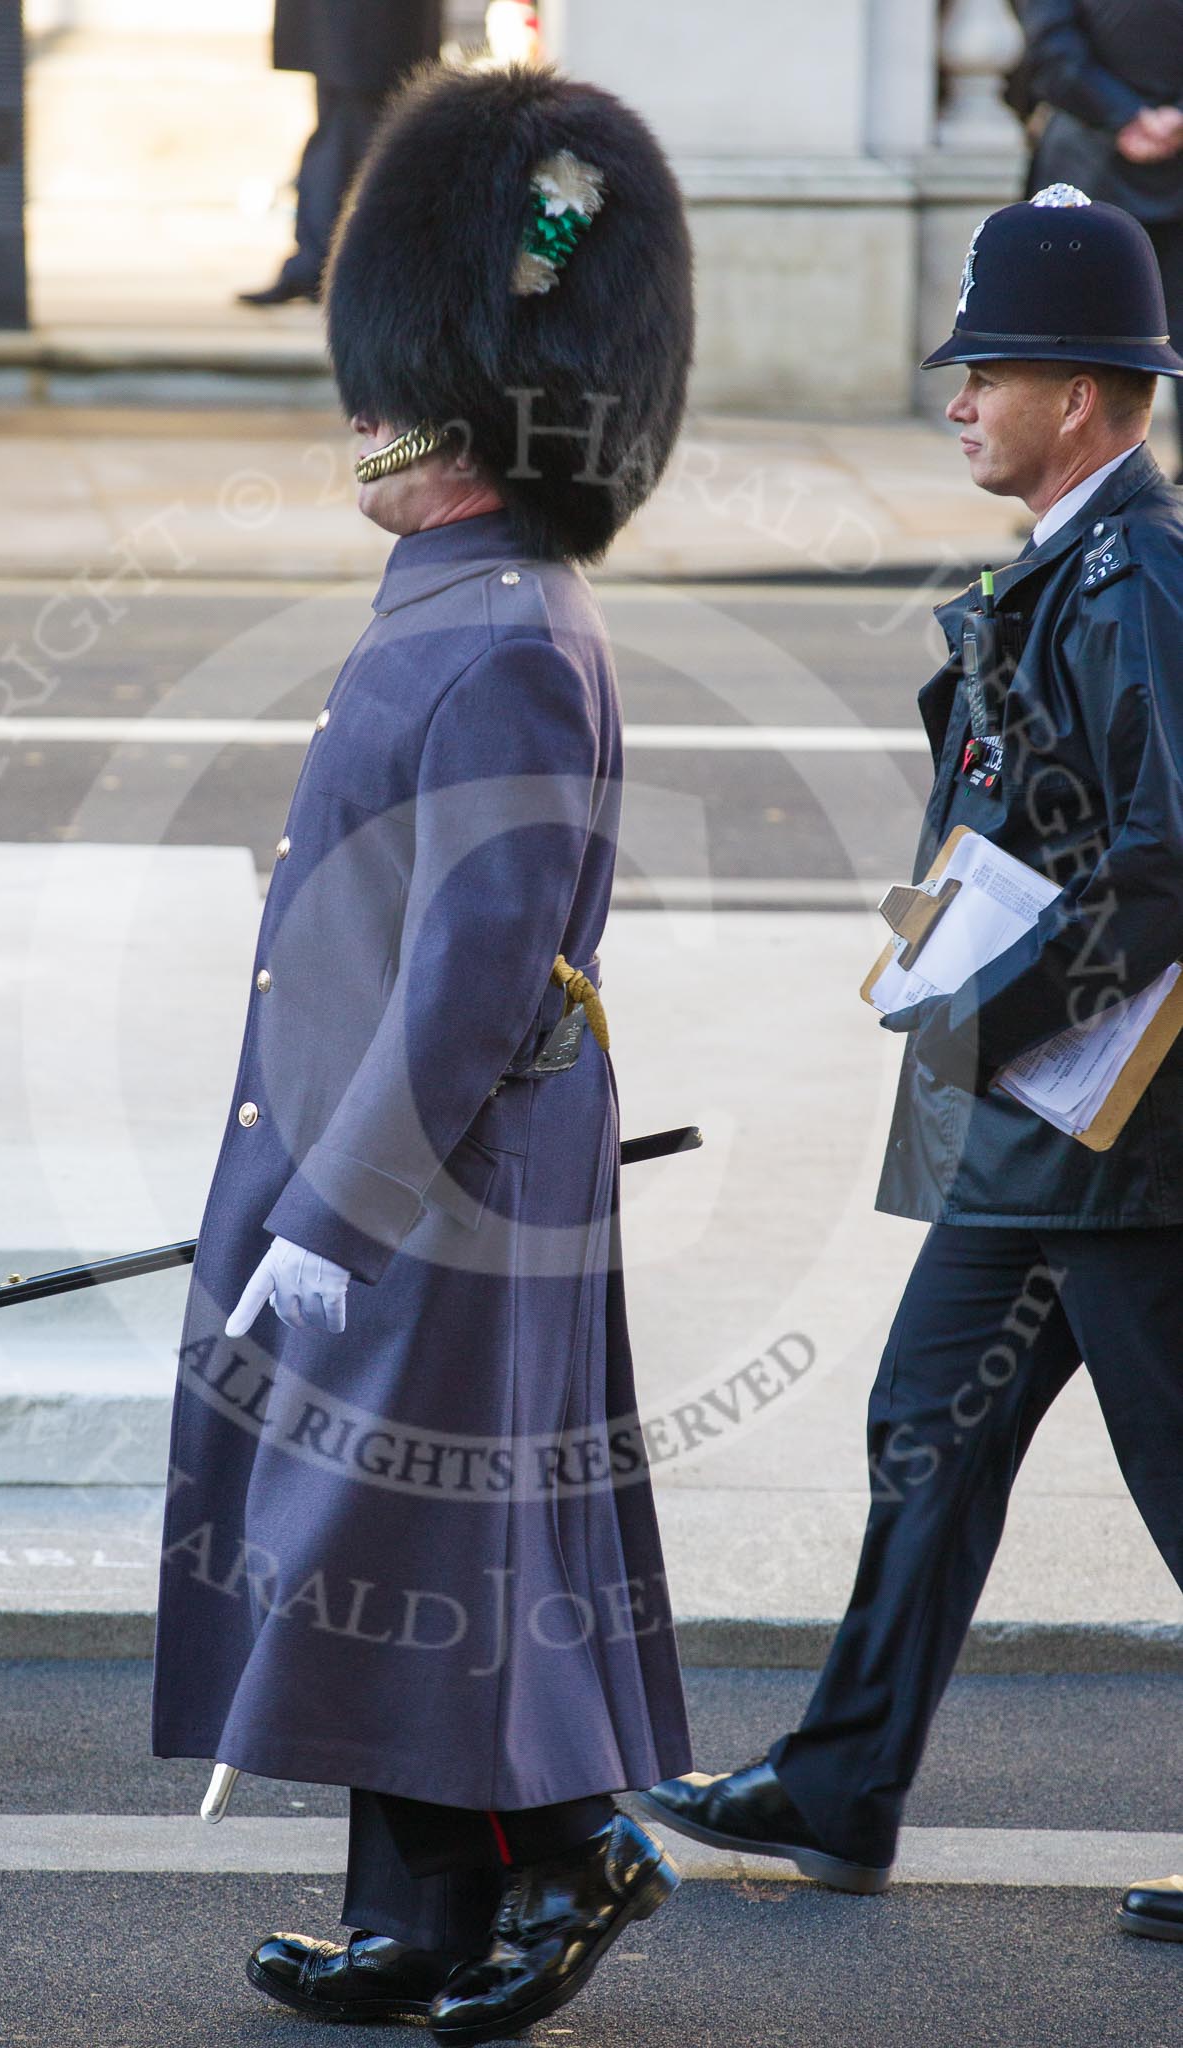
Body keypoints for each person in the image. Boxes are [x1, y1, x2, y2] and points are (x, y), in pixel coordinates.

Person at [154, 58, 696, 2041]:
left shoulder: (509, 634)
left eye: (392, 384)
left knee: (431, 1541)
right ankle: (411, 1913)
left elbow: (472, 979)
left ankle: (567, 1847)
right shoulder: (449, 595)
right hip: (399, 1158)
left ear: (477, 403)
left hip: (451, 1176)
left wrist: (343, 1216)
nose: (357, 417)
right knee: (378, 1530)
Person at [635, 187, 1183, 1933]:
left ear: (1083, 396)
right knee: (924, 1419)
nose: (955, 398)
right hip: (1049, 1131)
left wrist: (992, 1007)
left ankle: (842, 1771)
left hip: (1130, 1131)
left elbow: (1170, 860)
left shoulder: (1138, 575)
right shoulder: (1070, 564)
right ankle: (844, 1778)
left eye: (986, 372)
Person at [1021, 0, 1183, 461]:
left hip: (1087, 165)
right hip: (1089, 170)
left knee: (1075, 340)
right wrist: (1171, 119)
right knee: (1075, 339)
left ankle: (1075, 492)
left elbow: (1056, 54)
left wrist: (1130, 115)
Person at [236, 0, 442, 306]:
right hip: (346, 23)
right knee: (340, 115)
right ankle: (324, 264)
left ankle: (333, 266)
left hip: (371, 22)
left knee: (353, 131)